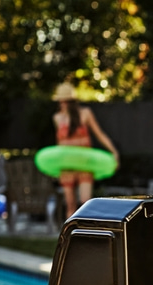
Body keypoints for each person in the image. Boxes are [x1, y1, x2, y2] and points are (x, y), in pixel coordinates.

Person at [51, 82, 119, 218]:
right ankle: (69, 235)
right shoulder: (57, 118)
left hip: (84, 165)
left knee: (85, 203)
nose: (62, 104)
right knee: (70, 205)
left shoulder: (85, 114)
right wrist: (56, 166)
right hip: (67, 166)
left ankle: (85, 232)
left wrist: (113, 152)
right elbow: (60, 145)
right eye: (61, 101)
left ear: (72, 102)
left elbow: (100, 134)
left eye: (65, 101)